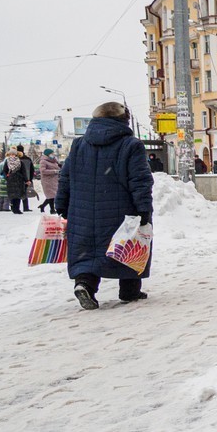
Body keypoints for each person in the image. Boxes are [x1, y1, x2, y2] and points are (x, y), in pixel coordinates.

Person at [55, 101, 152, 309]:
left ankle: (85, 284)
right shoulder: (131, 145)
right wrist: (143, 208)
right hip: (120, 209)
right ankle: (129, 290)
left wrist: (61, 203)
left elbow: (65, 176)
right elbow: (140, 180)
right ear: (123, 120)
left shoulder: (80, 144)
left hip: (82, 210)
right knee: (127, 245)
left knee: (86, 250)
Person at [38, 148, 60, 214]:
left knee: (53, 195)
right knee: (51, 195)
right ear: (48, 154)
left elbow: (58, 167)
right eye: (51, 153)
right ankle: (52, 210)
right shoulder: (43, 161)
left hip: (54, 180)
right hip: (47, 181)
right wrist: (55, 171)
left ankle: (42, 206)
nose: (53, 155)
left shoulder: (54, 161)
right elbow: (43, 171)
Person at [16, 145, 34, 212]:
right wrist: (30, 179)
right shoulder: (28, 159)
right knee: (24, 193)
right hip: (27, 178)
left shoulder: (14, 159)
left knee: (15, 193)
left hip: (16, 179)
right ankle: (26, 207)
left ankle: (15, 207)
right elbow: (32, 170)